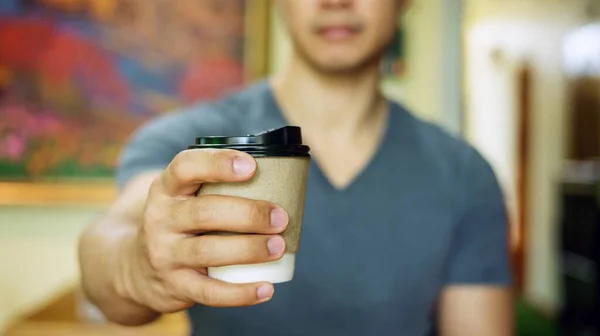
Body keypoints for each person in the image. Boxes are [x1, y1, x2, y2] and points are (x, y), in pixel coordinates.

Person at [78, 0, 514, 335]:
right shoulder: (188, 141)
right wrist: (137, 266)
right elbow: (110, 240)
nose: (336, 0)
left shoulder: (464, 175)